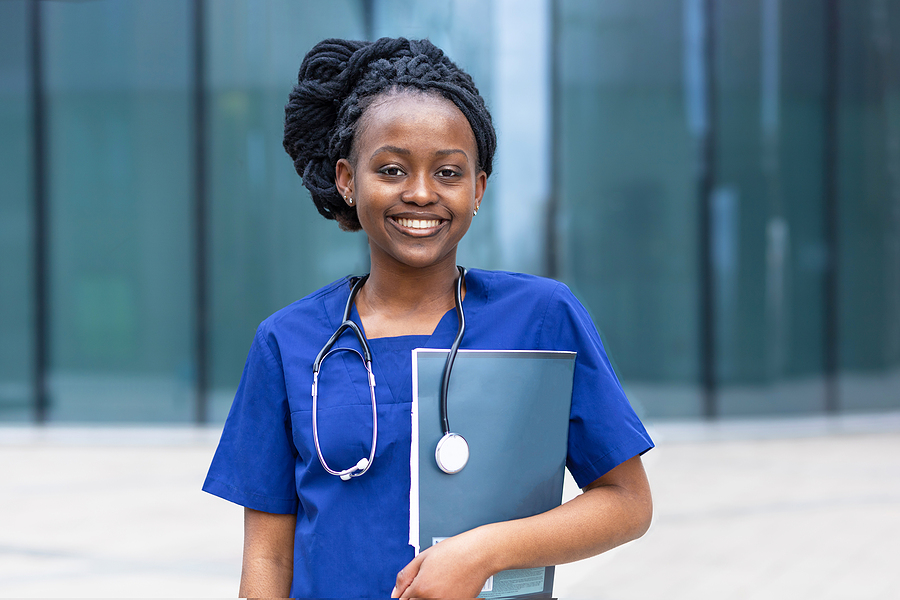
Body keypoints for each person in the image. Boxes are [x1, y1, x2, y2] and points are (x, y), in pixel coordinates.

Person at [203, 37, 653, 599]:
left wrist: (484, 552)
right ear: (347, 179)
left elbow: (628, 502)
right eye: (391, 169)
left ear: (478, 188)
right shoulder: (287, 342)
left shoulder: (542, 318)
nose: (420, 194)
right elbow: (268, 558)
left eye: (448, 173)